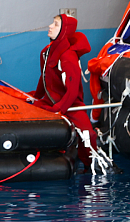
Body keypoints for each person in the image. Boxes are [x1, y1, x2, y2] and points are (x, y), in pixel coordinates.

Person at [30, 14, 97, 170]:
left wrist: (59, 108)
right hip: (49, 100)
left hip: (70, 103)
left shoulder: (68, 57)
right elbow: (44, 77)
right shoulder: (46, 52)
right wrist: (36, 97)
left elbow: (72, 91)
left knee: (88, 134)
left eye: (55, 24)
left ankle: (90, 164)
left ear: (64, 30)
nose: (50, 26)